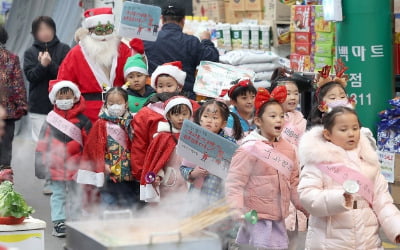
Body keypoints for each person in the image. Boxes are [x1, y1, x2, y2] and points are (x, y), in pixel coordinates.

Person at [298, 106, 400, 249]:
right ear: (327, 134)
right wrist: (339, 198)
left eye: (355, 128)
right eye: (343, 130)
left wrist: (397, 228)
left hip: (368, 239)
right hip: (330, 242)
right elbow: (307, 196)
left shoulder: (369, 161)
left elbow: (382, 201)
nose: (351, 134)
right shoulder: (317, 161)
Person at [225, 86, 308, 250]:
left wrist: (307, 207)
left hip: (278, 218)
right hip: (255, 218)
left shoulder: (289, 149)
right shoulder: (249, 148)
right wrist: (236, 209)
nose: (279, 120)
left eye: (281, 116)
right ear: (258, 121)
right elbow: (235, 182)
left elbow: (294, 183)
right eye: (273, 116)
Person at [57, 7, 143, 123]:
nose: (104, 35)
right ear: (89, 30)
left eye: (108, 29)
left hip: (120, 111)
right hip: (88, 114)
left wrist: (139, 56)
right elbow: (63, 83)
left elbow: (137, 74)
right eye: (99, 30)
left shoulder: (122, 49)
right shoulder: (76, 53)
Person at [35, 80, 91, 237]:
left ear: (75, 98)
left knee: (76, 194)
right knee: (58, 194)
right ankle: (59, 222)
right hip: (55, 166)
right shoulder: (50, 120)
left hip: (76, 167)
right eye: (61, 97)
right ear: (54, 99)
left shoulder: (83, 120)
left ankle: (75, 220)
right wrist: (40, 167)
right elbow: (42, 145)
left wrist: (89, 166)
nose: (64, 100)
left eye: (68, 96)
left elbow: (89, 146)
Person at [131, 61, 200, 180]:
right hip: (157, 169)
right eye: (160, 86)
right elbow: (140, 145)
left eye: (169, 85)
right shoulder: (146, 113)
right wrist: (141, 172)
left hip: (189, 168)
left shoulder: (193, 107)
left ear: (179, 86)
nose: (165, 90)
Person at [144, 3, 219, 99]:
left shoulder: (149, 40)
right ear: (183, 21)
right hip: (185, 98)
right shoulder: (191, 41)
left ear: (162, 19)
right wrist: (206, 40)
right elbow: (212, 58)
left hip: (157, 97)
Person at [269, 68, 308, 250]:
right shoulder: (268, 119)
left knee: (294, 226)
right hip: (275, 176)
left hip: (296, 174)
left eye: (295, 93)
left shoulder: (301, 119)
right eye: (287, 93)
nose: (292, 97)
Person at [78, 87, 137, 209]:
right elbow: (93, 149)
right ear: (105, 104)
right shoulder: (100, 124)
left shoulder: (132, 123)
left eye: (119, 103)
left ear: (126, 104)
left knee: (130, 203)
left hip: (129, 172)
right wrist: (102, 164)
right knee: (109, 203)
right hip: (109, 172)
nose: (115, 106)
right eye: (111, 103)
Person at [180, 100, 243, 207]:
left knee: (215, 221)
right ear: (200, 119)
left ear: (223, 123)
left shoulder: (229, 143)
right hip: (196, 193)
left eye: (214, 118)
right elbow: (183, 168)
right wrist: (193, 173)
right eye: (206, 116)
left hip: (219, 192)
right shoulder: (194, 140)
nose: (209, 120)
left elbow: (237, 169)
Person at [23, 16, 70, 142]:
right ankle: (41, 163)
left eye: (48, 28)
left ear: (54, 30)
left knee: (60, 144)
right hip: (39, 107)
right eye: (41, 30)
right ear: (34, 33)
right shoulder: (30, 53)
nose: (45, 32)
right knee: (41, 144)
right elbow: (31, 77)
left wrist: (49, 64)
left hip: (62, 105)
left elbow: (66, 75)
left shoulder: (64, 49)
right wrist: (42, 65)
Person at [140, 96, 193, 203]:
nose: (181, 118)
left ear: (190, 115)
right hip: (168, 181)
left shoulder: (192, 136)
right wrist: (157, 175)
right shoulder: (163, 136)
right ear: (168, 115)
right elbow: (156, 160)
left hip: (187, 180)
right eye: (176, 114)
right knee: (167, 208)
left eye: (184, 114)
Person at [0, 25, 28, 178]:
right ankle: (5, 194)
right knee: (4, 155)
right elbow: (18, 85)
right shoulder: (11, 58)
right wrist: (21, 107)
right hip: (7, 113)